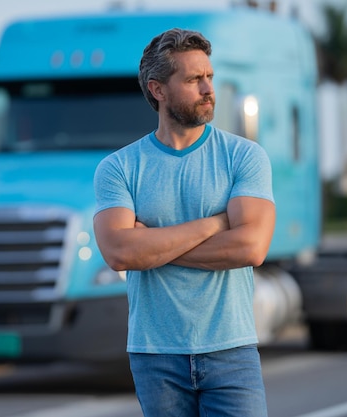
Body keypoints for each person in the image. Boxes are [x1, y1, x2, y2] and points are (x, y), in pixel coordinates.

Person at [93, 28, 275, 417]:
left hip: (231, 348)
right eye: (194, 79)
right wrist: (215, 224)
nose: (209, 89)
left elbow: (251, 248)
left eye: (209, 76)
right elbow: (120, 252)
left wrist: (153, 247)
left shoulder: (244, 157)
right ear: (158, 90)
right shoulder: (119, 168)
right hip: (155, 355)